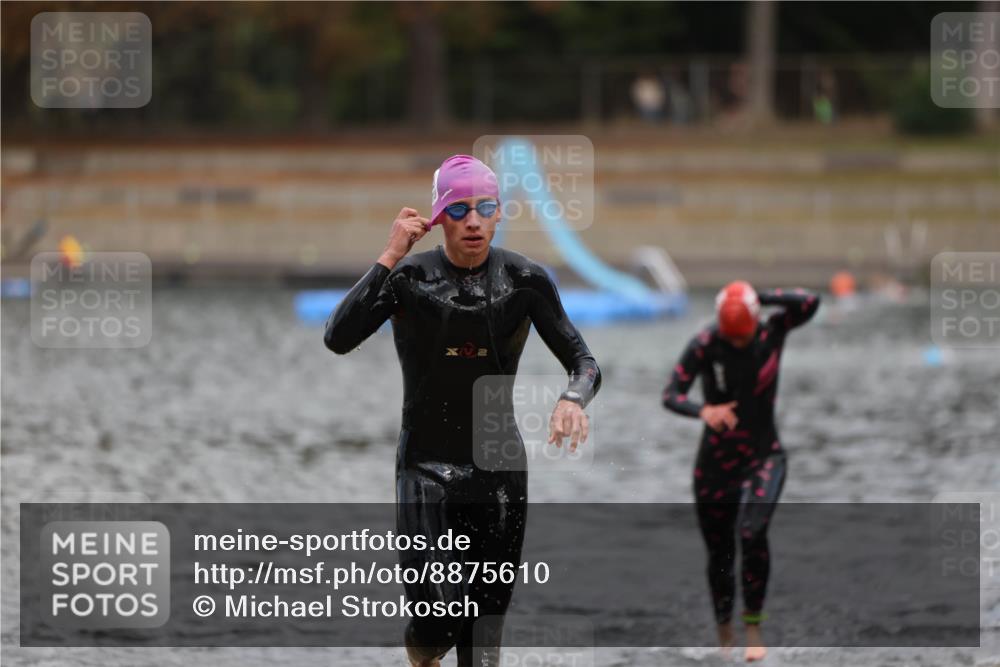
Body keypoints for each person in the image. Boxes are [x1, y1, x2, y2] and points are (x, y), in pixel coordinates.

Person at [324, 154, 601, 667]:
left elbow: (584, 363)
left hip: (499, 470)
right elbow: (338, 337)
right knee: (438, 622)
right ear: (438, 217)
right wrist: (389, 255)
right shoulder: (410, 278)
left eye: (485, 209)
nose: (473, 221)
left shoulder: (524, 280)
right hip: (426, 467)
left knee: (482, 642)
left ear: (499, 213)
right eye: (458, 210)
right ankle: (422, 656)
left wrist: (572, 400)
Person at [661, 280, 820, 662]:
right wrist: (704, 410)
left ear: (754, 322)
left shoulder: (772, 331)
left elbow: (810, 301)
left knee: (751, 532)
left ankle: (753, 628)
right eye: (730, 337)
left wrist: (752, 295)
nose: (736, 343)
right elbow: (671, 394)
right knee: (719, 553)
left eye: (742, 336)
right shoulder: (705, 343)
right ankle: (724, 634)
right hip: (715, 465)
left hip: (765, 457)